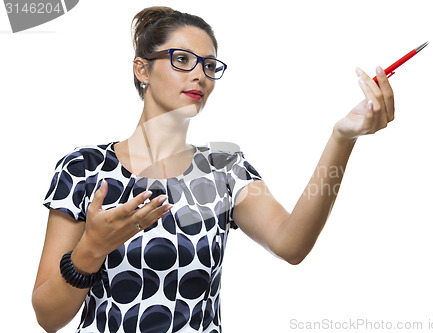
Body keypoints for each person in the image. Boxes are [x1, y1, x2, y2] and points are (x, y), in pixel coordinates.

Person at [32, 6, 394, 333]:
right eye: (182, 59)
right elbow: (48, 318)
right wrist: (91, 249)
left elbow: (292, 245)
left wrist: (342, 138)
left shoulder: (224, 169)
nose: (200, 76)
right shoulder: (84, 169)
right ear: (142, 68)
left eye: (208, 65)